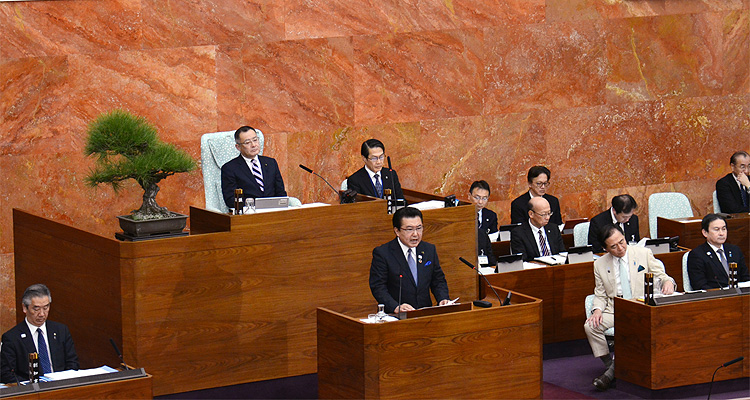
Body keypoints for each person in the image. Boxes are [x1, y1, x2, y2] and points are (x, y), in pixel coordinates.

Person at [584, 225, 675, 391]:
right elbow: (600, 294)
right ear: (605, 249)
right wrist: (597, 310)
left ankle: (610, 374)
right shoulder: (599, 264)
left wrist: (668, 282)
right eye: (614, 246)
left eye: (622, 242)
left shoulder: (643, 253)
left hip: (640, 307)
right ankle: (612, 366)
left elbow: (662, 276)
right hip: (616, 308)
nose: (620, 248)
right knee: (590, 326)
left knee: (635, 324)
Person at [369, 207, 450, 313]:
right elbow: (378, 286)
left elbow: (438, 280)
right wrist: (395, 307)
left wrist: (443, 298)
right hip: (396, 315)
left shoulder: (429, 249)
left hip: (424, 313)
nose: (415, 234)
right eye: (409, 229)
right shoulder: (383, 253)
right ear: (397, 231)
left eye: (419, 228)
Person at [1, 284, 79, 383]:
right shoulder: (12, 338)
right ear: (25, 308)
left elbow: (73, 364)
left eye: (46, 308)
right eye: (36, 309)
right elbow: (6, 374)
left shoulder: (61, 330)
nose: (42, 314)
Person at [221, 126, 287, 208]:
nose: (253, 145)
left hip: (273, 210)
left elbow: (281, 193)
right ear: (238, 147)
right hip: (249, 212)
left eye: (255, 140)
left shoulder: (271, 163)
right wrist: (255, 206)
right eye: (247, 142)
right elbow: (231, 200)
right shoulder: (230, 168)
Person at [687, 214, 749, 289]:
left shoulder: (735, 250)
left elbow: (745, 278)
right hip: (715, 295)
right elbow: (699, 285)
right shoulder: (697, 254)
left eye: (724, 229)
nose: (721, 233)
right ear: (705, 233)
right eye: (716, 229)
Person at [510, 197, 566, 261]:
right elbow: (522, 260)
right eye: (543, 214)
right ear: (531, 214)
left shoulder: (554, 229)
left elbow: (562, 253)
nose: (547, 217)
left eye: (549, 213)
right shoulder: (518, 233)